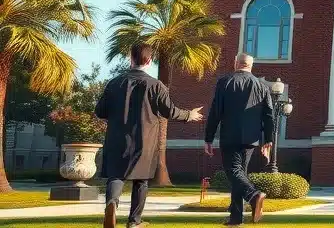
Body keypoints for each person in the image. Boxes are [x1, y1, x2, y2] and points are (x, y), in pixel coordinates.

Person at [95, 42, 204, 228]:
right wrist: (189, 115)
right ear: (150, 60)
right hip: (144, 140)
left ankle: (111, 204)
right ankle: (134, 221)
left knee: (116, 176)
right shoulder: (156, 85)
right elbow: (169, 111)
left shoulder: (114, 83)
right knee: (141, 180)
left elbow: (100, 111)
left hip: (116, 138)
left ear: (131, 58)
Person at [204, 53, 275, 226]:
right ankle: (236, 218)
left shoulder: (224, 82)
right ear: (251, 65)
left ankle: (254, 195)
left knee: (234, 172)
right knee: (240, 175)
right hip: (251, 138)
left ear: (235, 63)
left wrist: (208, 138)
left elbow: (215, 112)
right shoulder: (262, 86)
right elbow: (269, 115)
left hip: (230, 135)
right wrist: (268, 140)